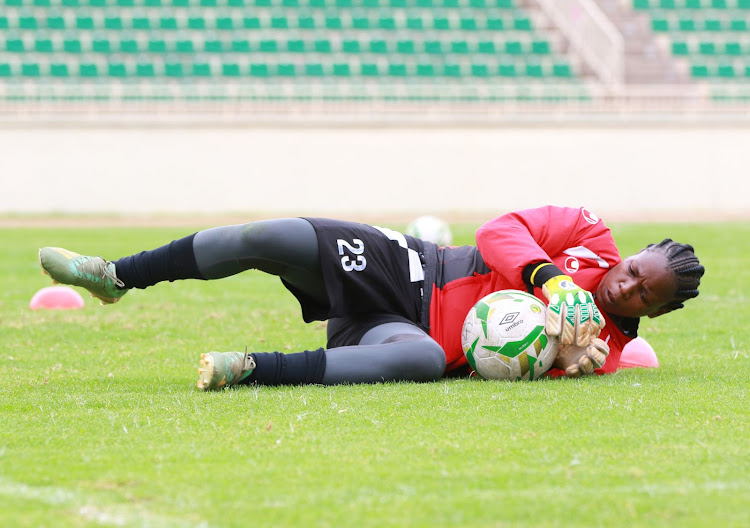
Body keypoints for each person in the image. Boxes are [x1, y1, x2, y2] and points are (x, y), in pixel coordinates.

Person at [38, 206, 704, 390]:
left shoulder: (606, 352)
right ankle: (116, 276)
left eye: (645, 295)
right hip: (408, 264)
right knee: (265, 235)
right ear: (633, 251)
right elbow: (499, 231)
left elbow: (552, 370)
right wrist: (551, 280)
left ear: (657, 314)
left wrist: (564, 359)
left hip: (401, 338)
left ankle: (251, 368)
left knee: (419, 361)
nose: (627, 284)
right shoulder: (588, 234)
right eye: (636, 268)